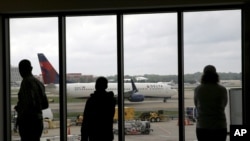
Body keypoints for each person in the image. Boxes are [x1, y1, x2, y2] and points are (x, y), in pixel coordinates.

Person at [15, 59, 48, 141]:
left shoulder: (26, 82)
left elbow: (29, 105)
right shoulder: (39, 83)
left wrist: (20, 108)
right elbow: (45, 104)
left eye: (21, 69)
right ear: (31, 68)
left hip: (28, 123)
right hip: (38, 122)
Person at [194, 65, 228, 141]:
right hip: (219, 125)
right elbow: (224, 104)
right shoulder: (222, 89)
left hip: (203, 125)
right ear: (216, 74)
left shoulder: (198, 89)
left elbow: (196, 104)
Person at [81, 77, 116, 141]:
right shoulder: (110, 100)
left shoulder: (91, 100)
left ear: (96, 86)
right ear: (106, 86)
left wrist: (84, 138)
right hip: (107, 134)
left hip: (94, 134)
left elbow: (86, 121)